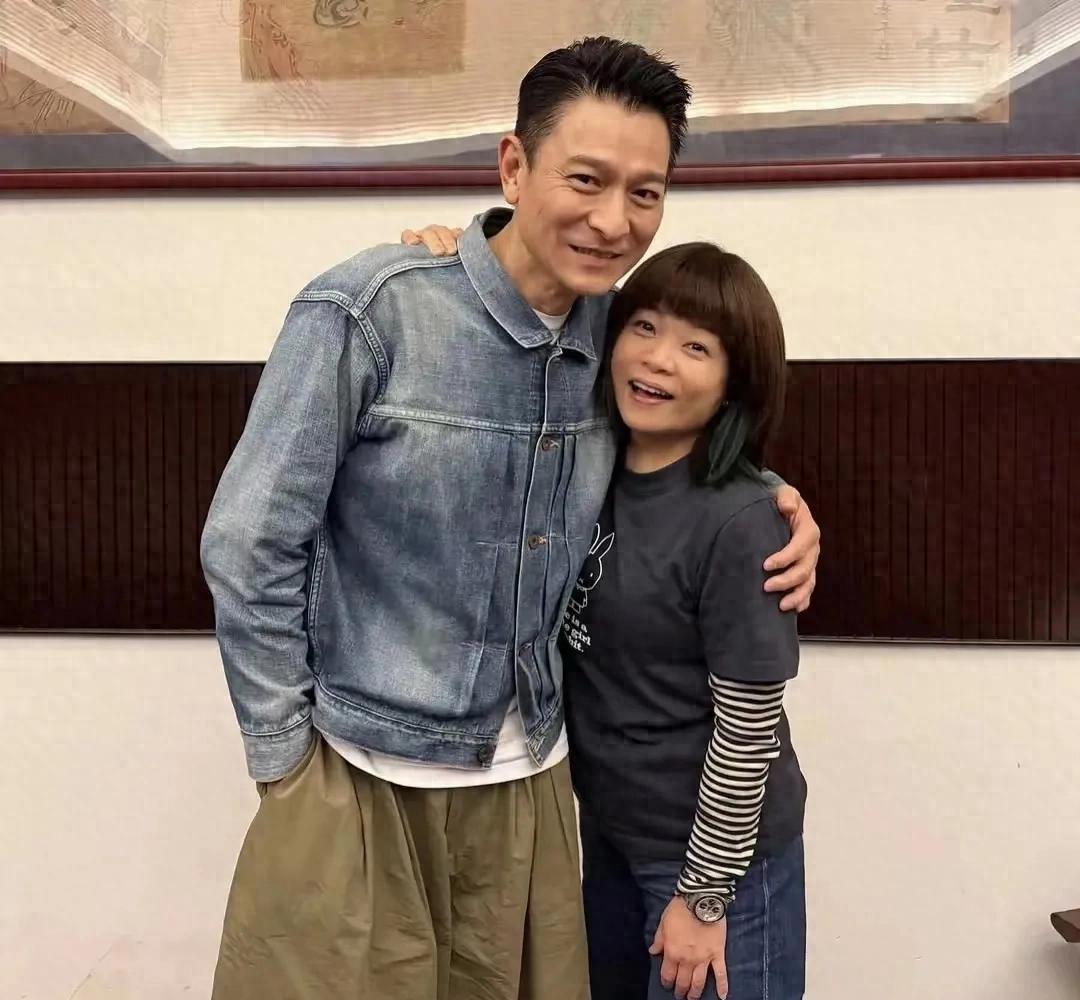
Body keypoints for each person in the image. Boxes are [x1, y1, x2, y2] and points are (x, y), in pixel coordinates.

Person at [201, 36, 820, 1000]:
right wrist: (285, 762)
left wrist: (776, 501)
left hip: (532, 780)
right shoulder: (372, 311)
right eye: (586, 179)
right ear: (514, 166)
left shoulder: (618, 335)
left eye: (646, 192)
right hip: (361, 775)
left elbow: (695, 422)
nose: (613, 220)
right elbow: (249, 541)